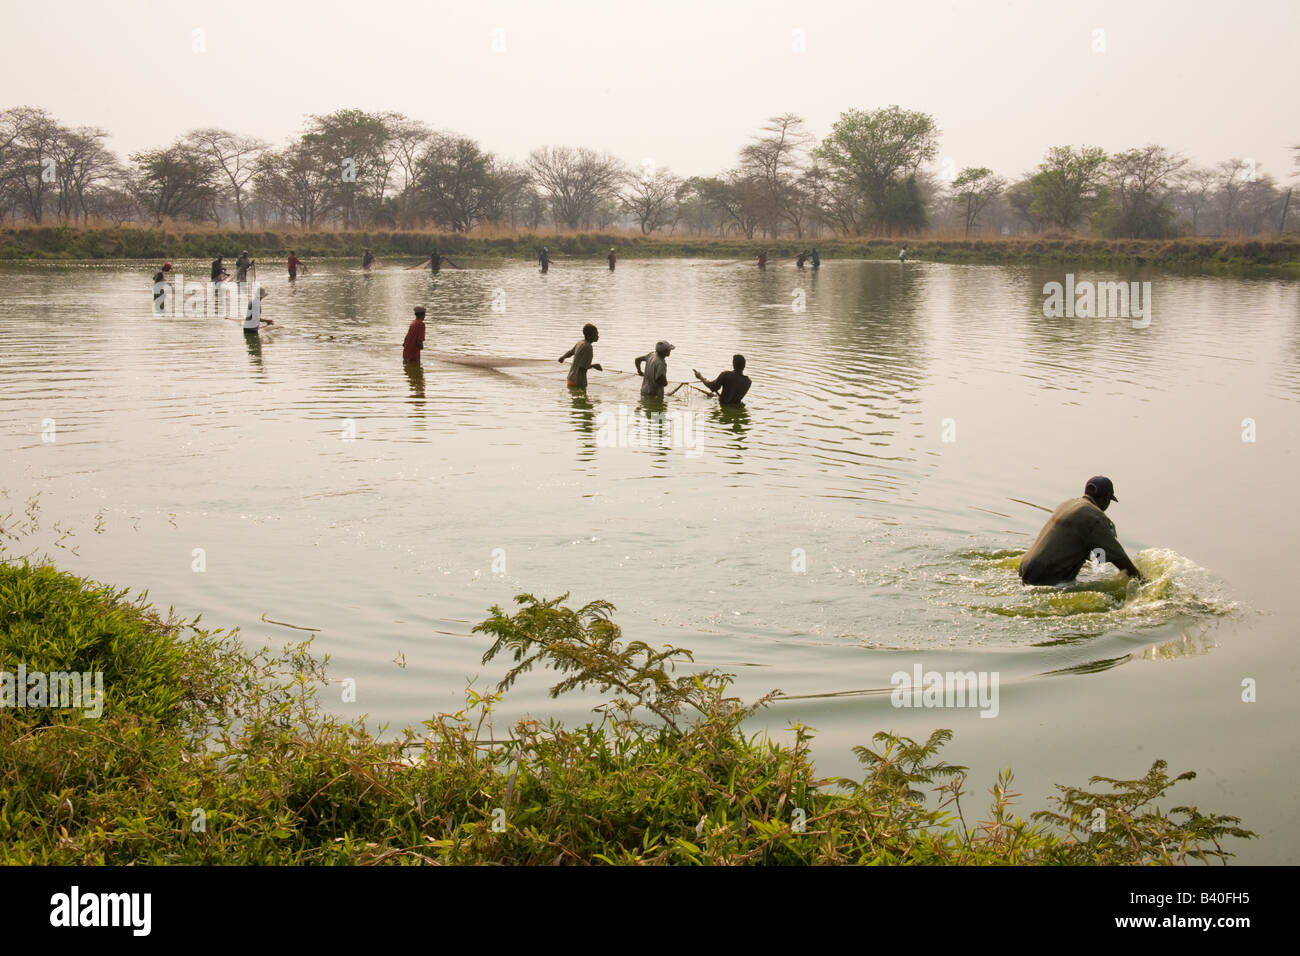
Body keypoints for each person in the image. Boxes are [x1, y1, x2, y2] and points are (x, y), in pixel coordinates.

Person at [1018, 476, 1144, 586]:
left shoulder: (1067, 504)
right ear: (1106, 498)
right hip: (1047, 576)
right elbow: (1119, 558)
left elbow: (1099, 556)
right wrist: (1142, 581)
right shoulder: (1095, 517)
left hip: (1025, 568)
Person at [558, 323, 603, 388]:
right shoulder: (588, 347)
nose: (598, 336)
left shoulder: (580, 342)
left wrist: (563, 357)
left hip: (570, 379)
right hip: (578, 382)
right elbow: (583, 367)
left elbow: (571, 352)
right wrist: (595, 366)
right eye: (596, 334)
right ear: (589, 336)